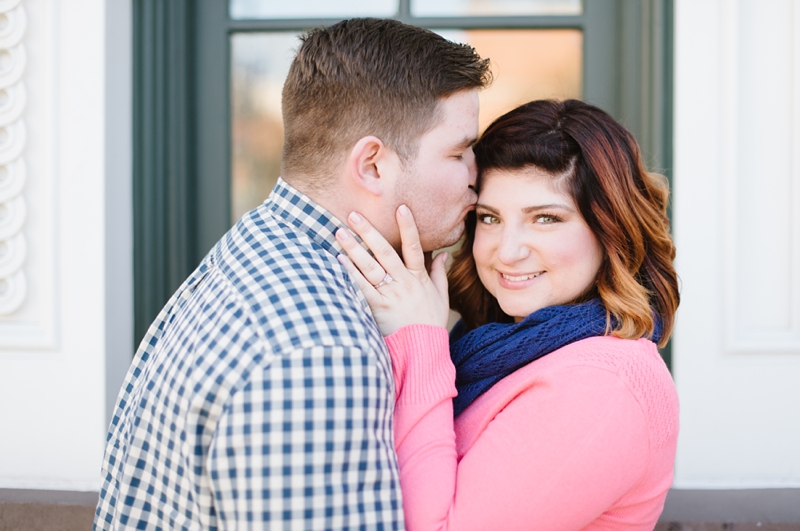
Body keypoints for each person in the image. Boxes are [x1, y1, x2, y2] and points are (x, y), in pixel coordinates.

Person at [94, 18, 490, 530]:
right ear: (372, 165)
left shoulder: (254, 253)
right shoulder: (318, 348)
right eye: (459, 152)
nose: (477, 173)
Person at [336, 99, 680, 530]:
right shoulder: (498, 345)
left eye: (546, 219)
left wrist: (420, 341)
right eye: (490, 218)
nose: (509, 251)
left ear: (610, 229)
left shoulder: (604, 382)